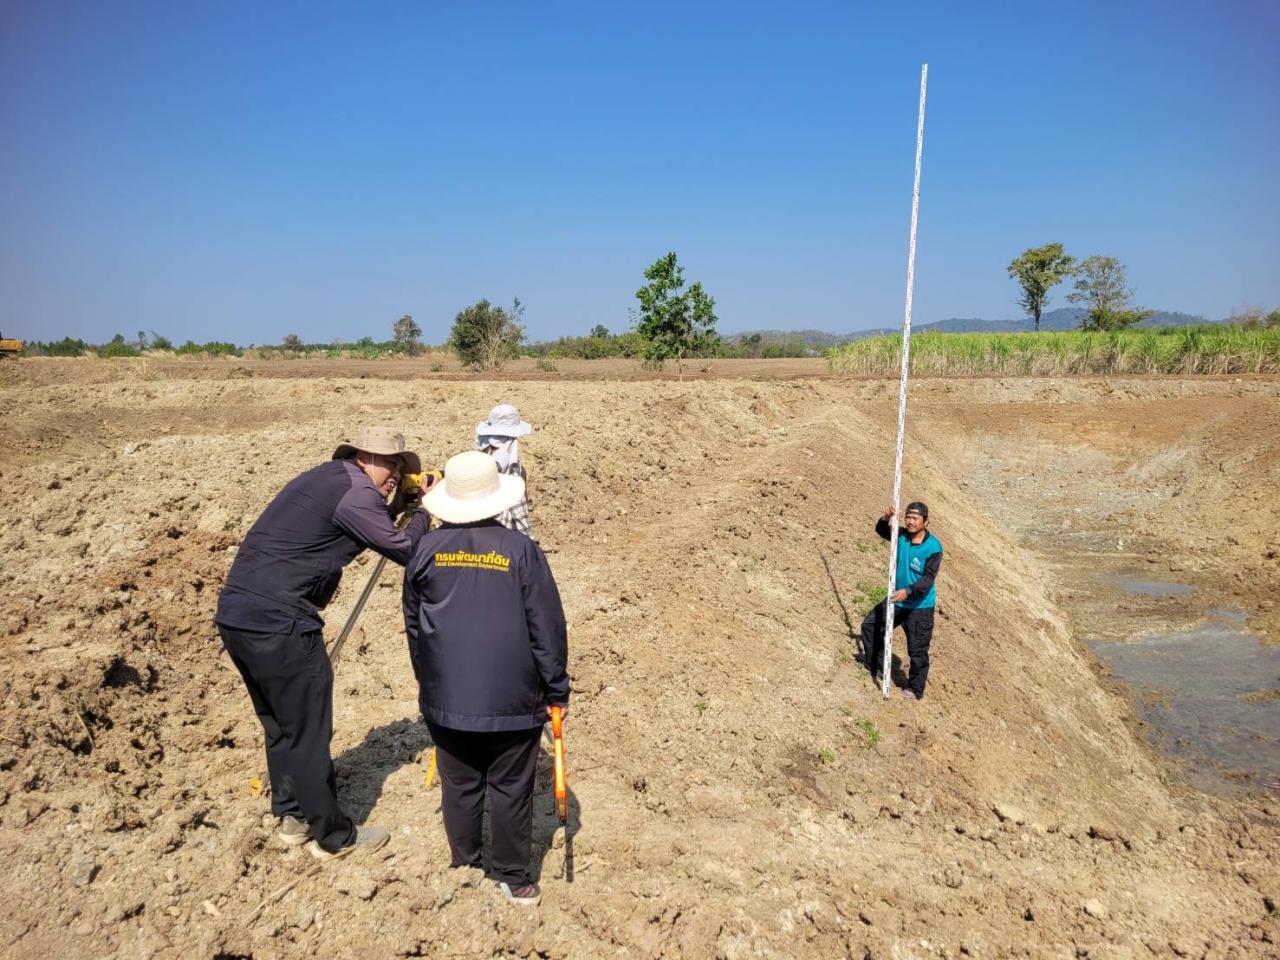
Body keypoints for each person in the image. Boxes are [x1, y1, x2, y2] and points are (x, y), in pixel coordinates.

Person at [216, 426, 432, 859]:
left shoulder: (330, 479)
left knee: (281, 724)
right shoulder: (357, 493)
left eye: (401, 467)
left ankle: (292, 815)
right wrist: (425, 512)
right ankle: (333, 836)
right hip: (281, 622)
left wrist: (397, 506)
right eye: (390, 463)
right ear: (364, 457)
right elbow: (406, 550)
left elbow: (361, 522)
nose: (396, 474)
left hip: (238, 616)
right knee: (309, 729)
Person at [403, 450, 569, 906]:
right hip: (513, 698)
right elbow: (546, 627)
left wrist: (429, 682)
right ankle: (513, 876)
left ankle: (465, 864)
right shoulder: (521, 551)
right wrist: (556, 687)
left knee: (459, 783)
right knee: (511, 785)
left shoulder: (424, 551)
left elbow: (414, 627)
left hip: (445, 697)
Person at [861, 501, 943, 701]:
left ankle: (915, 688)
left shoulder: (934, 547)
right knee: (870, 626)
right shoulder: (901, 536)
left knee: (917, 650)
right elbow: (881, 529)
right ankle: (878, 666)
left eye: (915, 518)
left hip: (919, 606)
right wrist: (886, 516)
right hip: (896, 599)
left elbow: (928, 579)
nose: (910, 521)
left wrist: (908, 591)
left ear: (926, 522)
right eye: (908, 517)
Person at [475, 403, 536, 541]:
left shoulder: (478, 459)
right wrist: (530, 540)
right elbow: (517, 506)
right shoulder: (511, 468)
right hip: (503, 533)